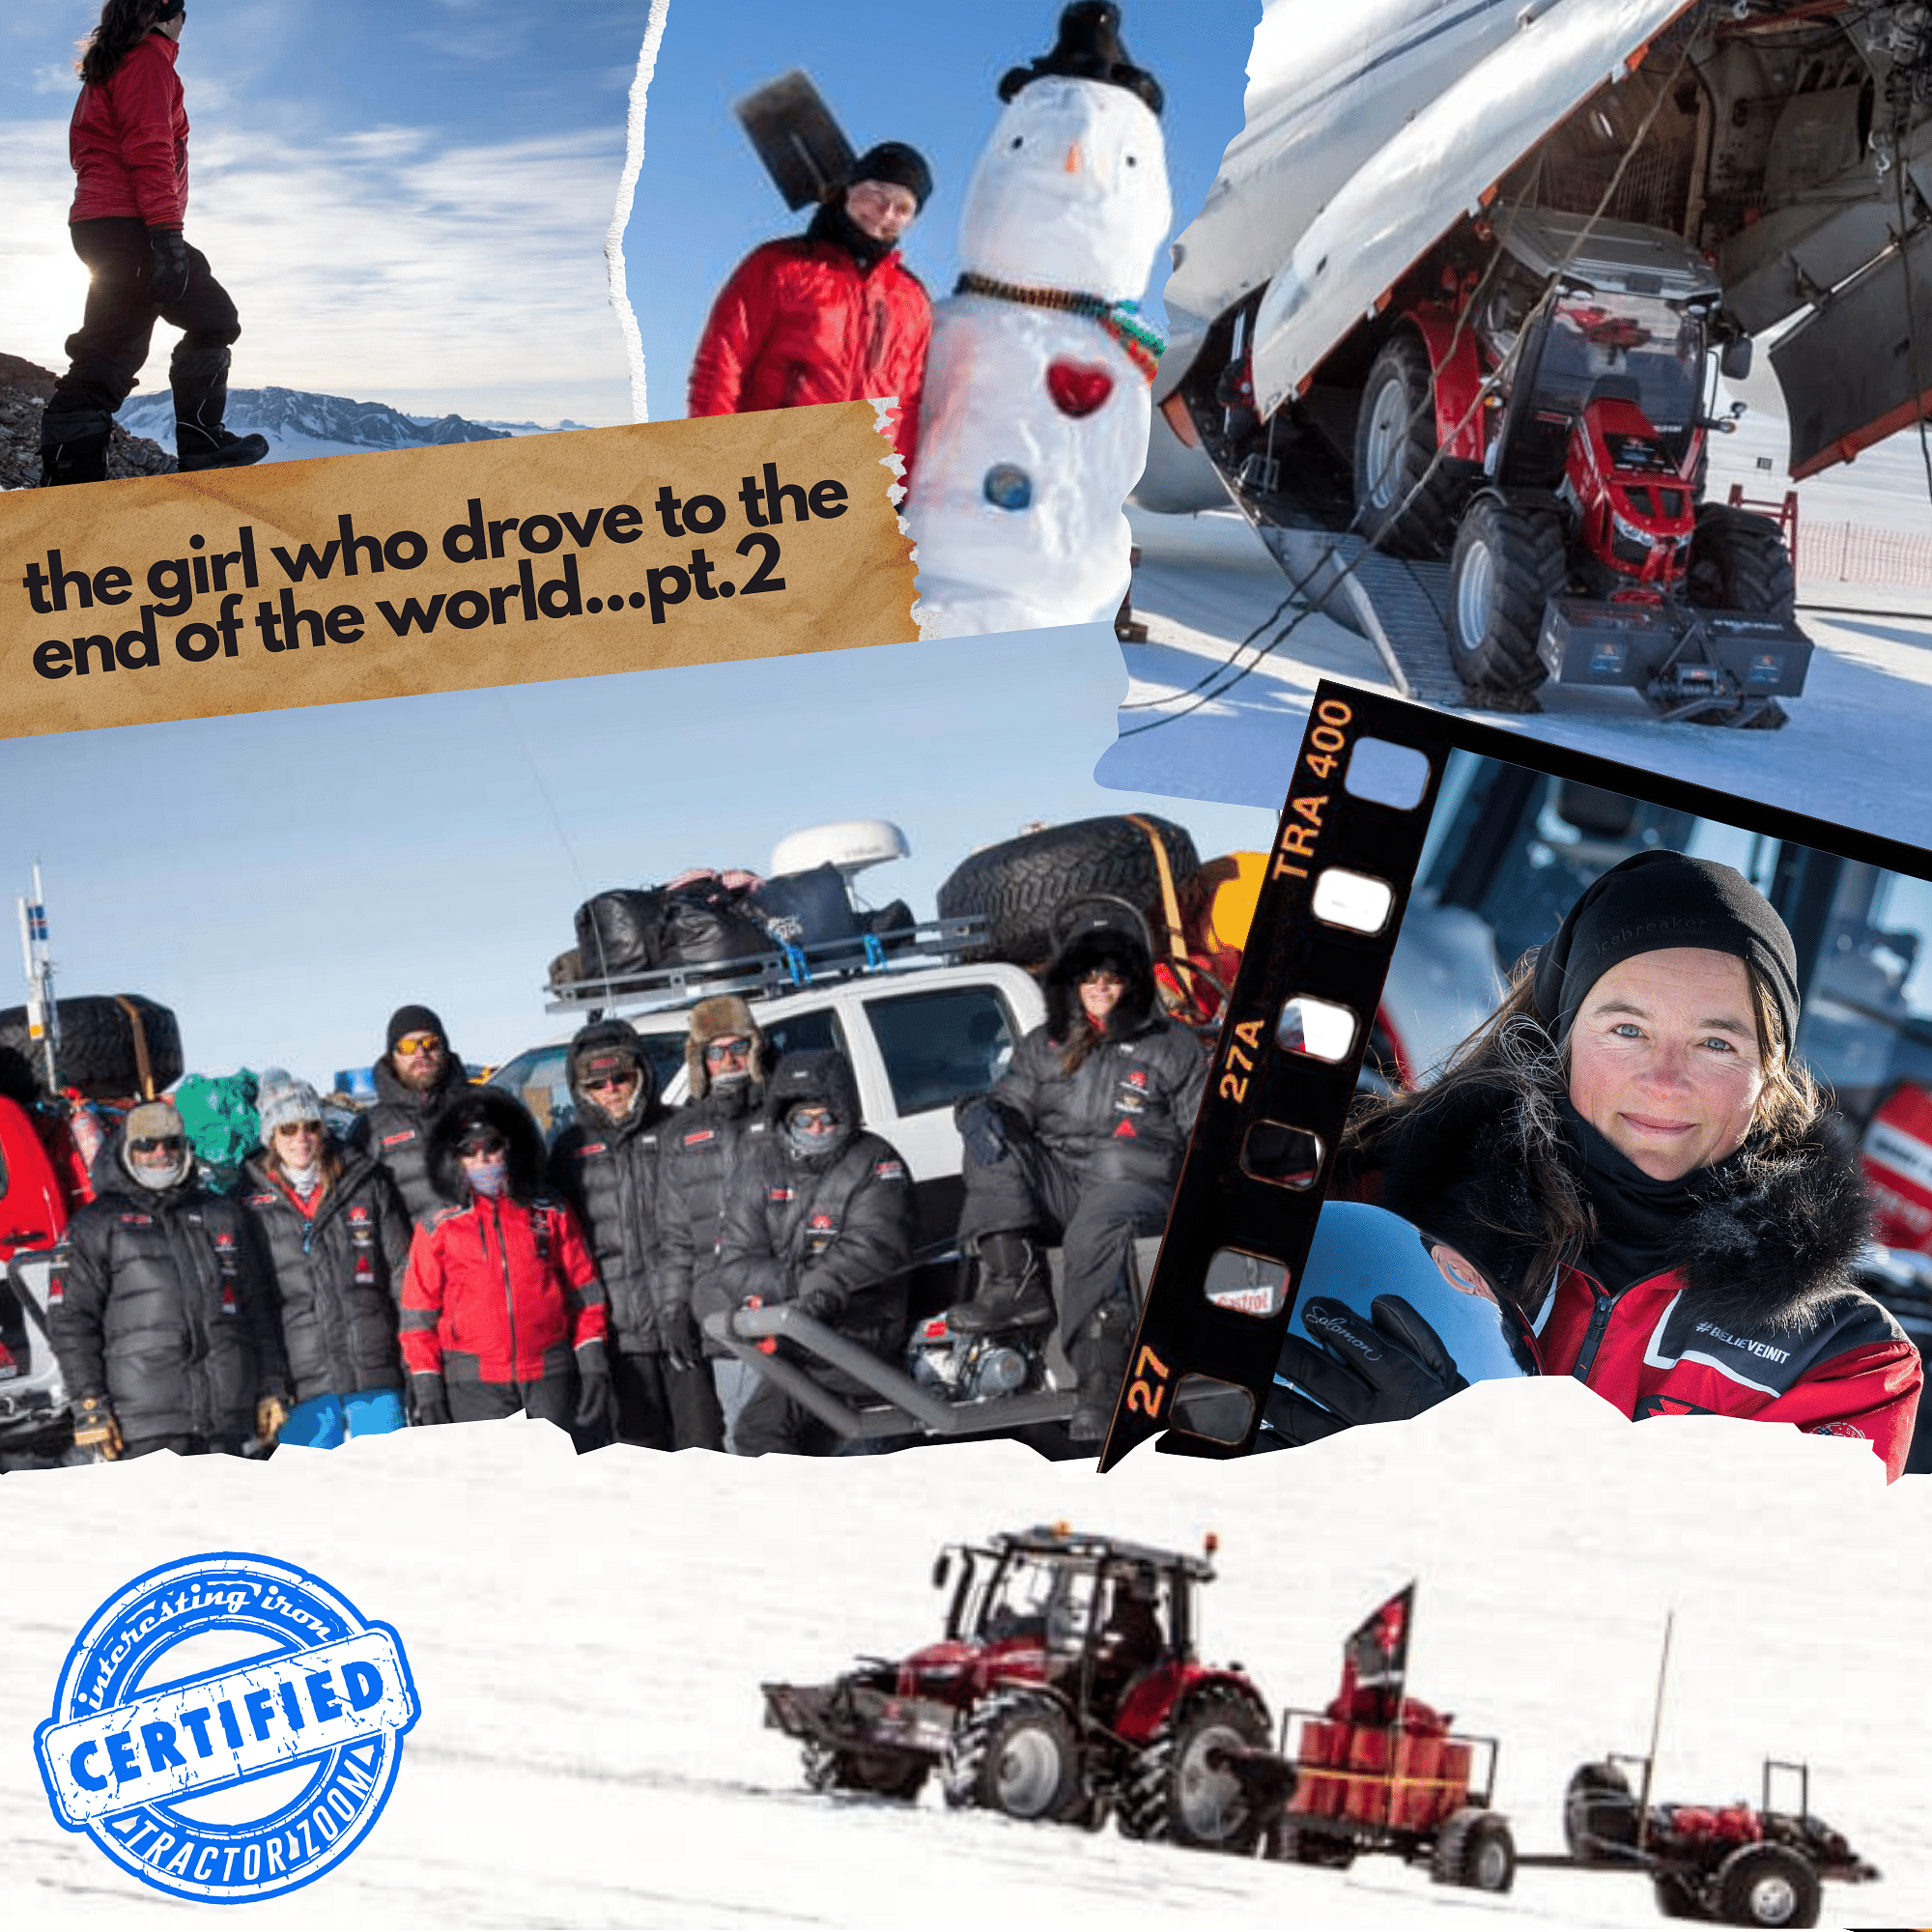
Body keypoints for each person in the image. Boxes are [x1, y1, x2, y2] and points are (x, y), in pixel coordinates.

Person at [1284, 850, 1924, 1478]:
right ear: (1561, 1037)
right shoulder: (1370, 1198)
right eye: (1627, 1029)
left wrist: (1469, 1465)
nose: (1665, 1081)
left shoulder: (1845, 1357)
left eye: (1715, 1043)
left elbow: (1759, 1580)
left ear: (1770, 1074)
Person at [950, 909, 1208, 1440]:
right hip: (1065, 1182)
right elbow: (1010, 1102)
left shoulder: (1173, 1045)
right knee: (991, 1141)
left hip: (1141, 1186)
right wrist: (977, 1111)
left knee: (1098, 1220)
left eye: (1112, 977)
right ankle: (1013, 1282)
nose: (1100, 988)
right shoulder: (1044, 1044)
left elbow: (1206, 1130)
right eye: (1089, 977)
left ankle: (1101, 1379)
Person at [40, 0, 269, 486]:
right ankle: (79, 488)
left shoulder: (115, 61)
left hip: (110, 223)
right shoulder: (146, 59)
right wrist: (166, 236)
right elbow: (150, 146)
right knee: (121, 352)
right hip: (134, 225)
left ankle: (194, 449)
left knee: (135, 342)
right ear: (169, 13)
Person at [47, 1098, 289, 1460]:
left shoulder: (221, 1214)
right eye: (147, 1144)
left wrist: (272, 1386)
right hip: (142, 1425)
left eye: (171, 1143)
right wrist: (89, 1406)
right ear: (127, 1149)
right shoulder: (95, 1224)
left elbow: (258, 1310)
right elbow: (71, 1323)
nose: (161, 1153)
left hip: (227, 1420)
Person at [688, 143, 935, 474]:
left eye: (903, 208)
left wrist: (894, 489)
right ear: (848, 190)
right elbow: (722, 363)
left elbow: (906, 403)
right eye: (876, 194)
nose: (886, 212)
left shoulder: (912, 299)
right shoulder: (780, 266)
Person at [714, 1049, 914, 1456]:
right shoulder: (760, 1167)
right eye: (805, 1120)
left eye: (828, 1117)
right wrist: (796, 1290)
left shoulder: (876, 1163)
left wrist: (814, 1295)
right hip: (796, 1340)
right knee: (755, 1433)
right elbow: (736, 1261)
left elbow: (872, 1247)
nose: (818, 1128)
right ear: (786, 1120)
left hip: (858, 1334)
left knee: (845, 1439)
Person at [547, 1019, 723, 1450]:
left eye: (620, 1077)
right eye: (598, 1082)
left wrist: (694, 1307)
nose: (612, 1089)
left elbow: (709, 1229)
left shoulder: (683, 1130)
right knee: (640, 1459)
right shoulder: (569, 1150)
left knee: (703, 1451)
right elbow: (563, 1250)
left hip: (685, 1329)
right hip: (619, 1338)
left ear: (641, 1074)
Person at [399, 1089, 612, 1443]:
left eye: (492, 1146)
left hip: (548, 1373)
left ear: (511, 1148)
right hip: (474, 1383)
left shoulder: (549, 1210)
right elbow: (417, 1317)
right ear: (454, 1158)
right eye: (469, 1151)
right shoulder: (438, 1225)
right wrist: (427, 1386)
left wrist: (591, 1362)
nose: (482, 1159)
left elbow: (585, 1292)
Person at [235, 1072, 412, 1450]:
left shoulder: (366, 1182)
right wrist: (270, 1384)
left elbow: (403, 1274)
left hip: (374, 1371)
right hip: (304, 1383)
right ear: (270, 1136)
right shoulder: (248, 1203)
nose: (301, 1138)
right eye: (287, 1129)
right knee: (317, 1497)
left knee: (392, 1484)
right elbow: (255, 1304)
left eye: (310, 1126)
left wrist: (413, 1359)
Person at [655, 996, 771, 1449]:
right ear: (700, 1061)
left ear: (755, 1048)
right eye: (715, 1052)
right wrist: (674, 1310)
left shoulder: (781, 1113)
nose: (729, 1061)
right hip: (724, 1319)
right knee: (744, 1437)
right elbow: (675, 1239)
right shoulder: (681, 1135)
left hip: (789, 1309)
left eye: (738, 1046)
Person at [359, 1004, 469, 1225]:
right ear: (393, 1056)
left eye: (430, 1043)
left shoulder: (486, 1105)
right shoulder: (369, 1129)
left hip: (489, 1252)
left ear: (444, 1049)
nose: (421, 1053)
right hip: (421, 1255)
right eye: (408, 1047)